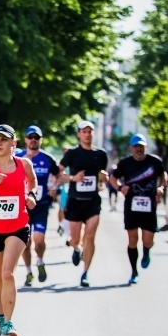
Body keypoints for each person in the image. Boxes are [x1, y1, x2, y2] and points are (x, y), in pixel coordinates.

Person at [0, 125, 37, 336]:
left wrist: (31, 195)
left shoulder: (24, 164)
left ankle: (8, 322)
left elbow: (31, 182)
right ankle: (0, 314)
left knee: (7, 273)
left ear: (13, 143)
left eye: (3, 140)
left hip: (18, 226)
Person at [109, 134, 167, 284]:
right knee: (132, 239)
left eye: (141, 146)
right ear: (131, 148)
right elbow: (112, 178)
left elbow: (163, 175)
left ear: (145, 147)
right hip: (131, 205)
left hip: (149, 205)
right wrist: (121, 188)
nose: (139, 149)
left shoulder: (154, 161)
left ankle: (146, 251)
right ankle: (134, 271)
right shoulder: (125, 163)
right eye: (136, 147)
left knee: (148, 240)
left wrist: (161, 187)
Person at [59, 120, 109, 287]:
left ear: (93, 134)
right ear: (79, 134)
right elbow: (59, 174)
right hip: (75, 201)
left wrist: (104, 178)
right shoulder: (72, 154)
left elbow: (102, 175)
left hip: (92, 201)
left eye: (90, 131)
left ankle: (85, 272)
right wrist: (73, 178)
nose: (87, 134)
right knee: (75, 238)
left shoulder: (101, 154)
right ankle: (76, 249)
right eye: (84, 131)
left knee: (90, 236)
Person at [17, 125, 60, 286]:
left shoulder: (48, 158)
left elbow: (58, 175)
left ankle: (40, 261)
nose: (33, 140)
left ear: (40, 140)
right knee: (25, 241)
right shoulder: (17, 156)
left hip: (41, 205)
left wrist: (54, 188)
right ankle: (28, 271)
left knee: (38, 238)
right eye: (30, 137)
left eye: (36, 137)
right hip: (22, 206)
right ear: (25, 139)